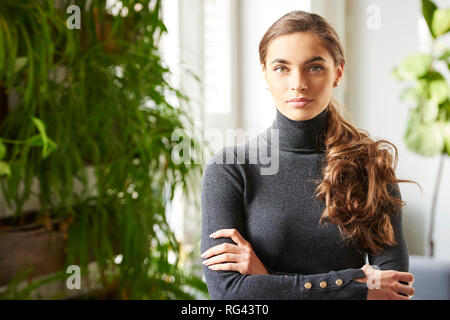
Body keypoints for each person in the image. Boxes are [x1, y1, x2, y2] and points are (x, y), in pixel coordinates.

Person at [200, 10, 418, 300]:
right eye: (282, 68)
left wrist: (265, 279)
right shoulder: (230, 168)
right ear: (264, 72)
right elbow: (228, 295)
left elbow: (394, 291)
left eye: (314, 67)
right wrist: (357, 285)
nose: (298, 83)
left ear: (338, 72)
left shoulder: (372, 165)